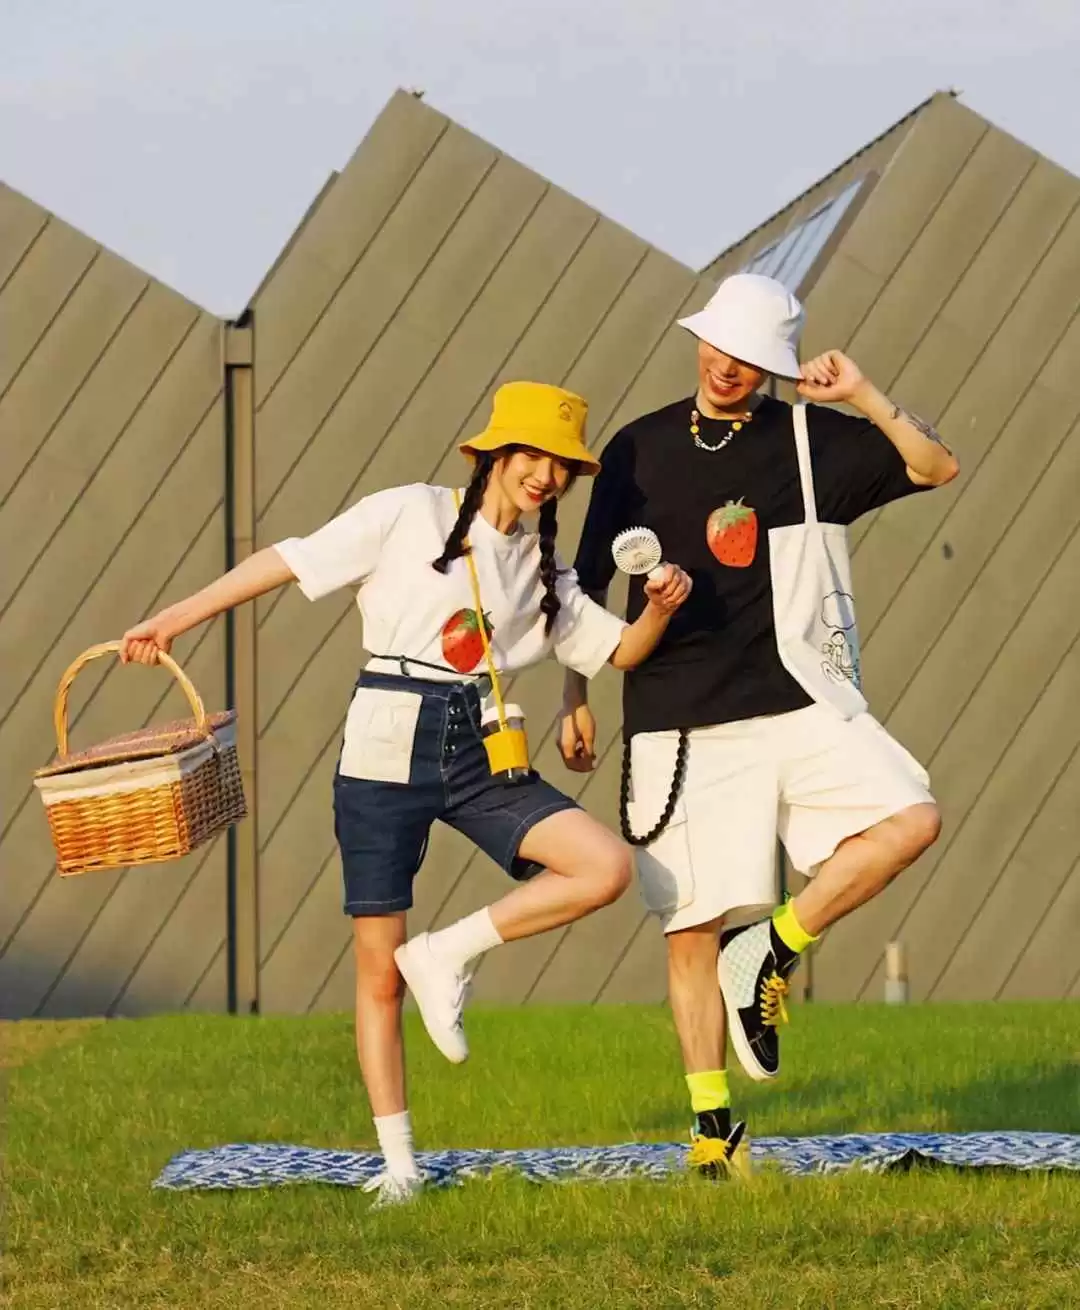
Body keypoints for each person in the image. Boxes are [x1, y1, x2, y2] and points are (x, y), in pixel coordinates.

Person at [120, 381, 691, 1206]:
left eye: (561, 465)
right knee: (376, 969)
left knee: (604, 866)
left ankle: (448, 951)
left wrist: (661, 609)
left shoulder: (544, 569)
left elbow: (622, 650)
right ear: (494, 453)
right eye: (532, 456)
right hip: (387, 739)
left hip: (481, 745)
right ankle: (399, 1168)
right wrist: (175, 619)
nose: (545, 476)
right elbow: (288, 560)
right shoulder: (408, 512)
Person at [560, 274, 959, 1175]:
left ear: (773, 366)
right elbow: (584, 585)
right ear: (699, 340)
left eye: (749, 356)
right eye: (719, 346)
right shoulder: (636, 449)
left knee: (912, 819)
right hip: (675, 717)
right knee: (690, 928)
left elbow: (937, 467)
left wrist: (862, 394)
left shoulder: (812, 440)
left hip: (801, 698)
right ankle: (712, 1135)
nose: (728, 366)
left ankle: (772, 947)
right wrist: (572, 695)